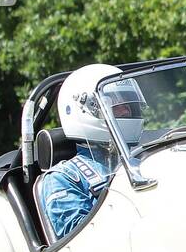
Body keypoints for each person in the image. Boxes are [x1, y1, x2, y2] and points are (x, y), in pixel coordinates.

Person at [39, 63, 146, 240]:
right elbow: (83, 242)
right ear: (85, 108)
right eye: (116, 102)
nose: (126, 109)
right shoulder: (62, 178)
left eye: (129, 102)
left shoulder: (145, 158)